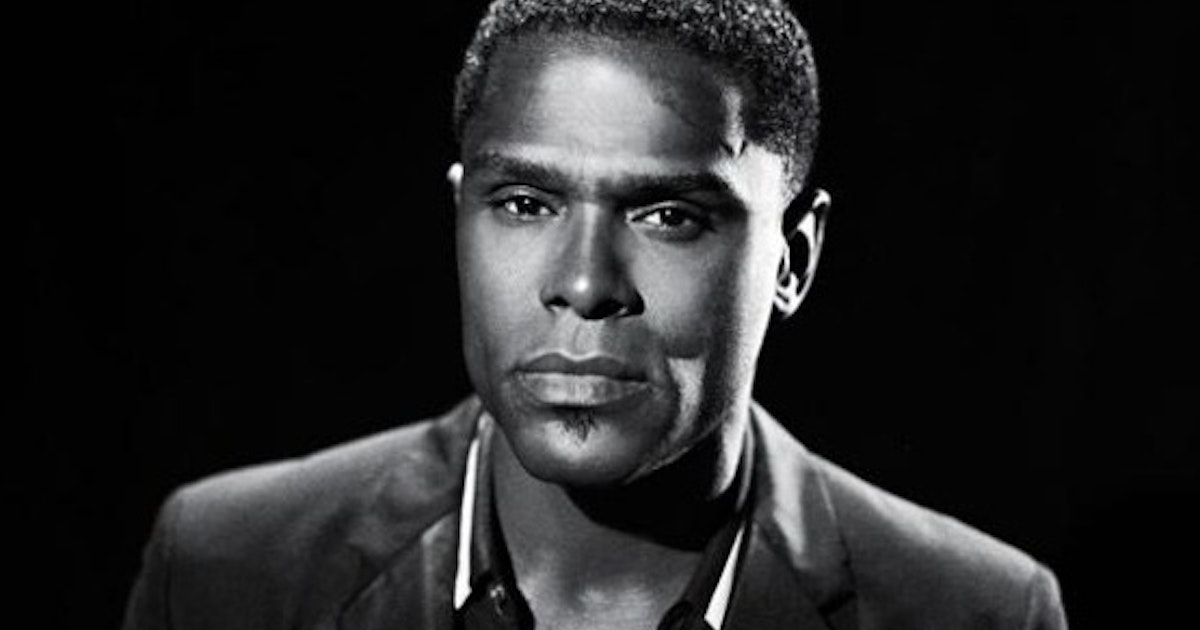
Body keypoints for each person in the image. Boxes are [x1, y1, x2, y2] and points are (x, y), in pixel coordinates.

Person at [122, 1, 1068, 628]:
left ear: (794, 258)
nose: (583, 283)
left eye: (668, 216)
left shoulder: (976, 613)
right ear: (458, 216)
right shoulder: (223, 571)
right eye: (524, 203)